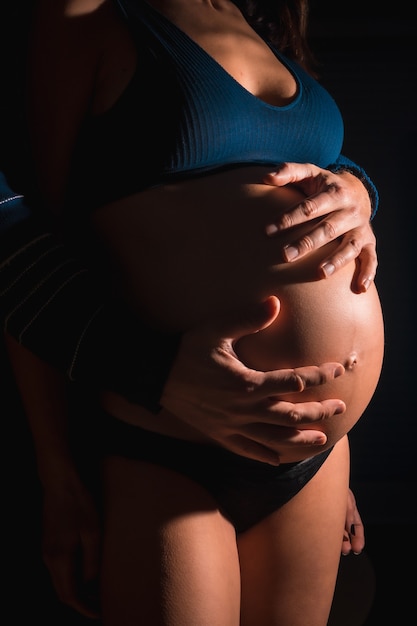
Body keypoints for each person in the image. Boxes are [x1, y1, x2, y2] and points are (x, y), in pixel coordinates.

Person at [3, 0, 383, 624]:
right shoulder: (88, 13)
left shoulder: (255, 20)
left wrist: (361, 190)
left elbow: (313, 179)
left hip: (314, 448)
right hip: (163, 435)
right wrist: (58, 472)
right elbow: (23, 237)